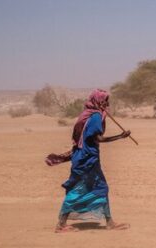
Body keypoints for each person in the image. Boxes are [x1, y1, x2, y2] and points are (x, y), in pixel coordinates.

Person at [55, 89, 131, 233]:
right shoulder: (95, 116)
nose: (107, 104)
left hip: (86, 158)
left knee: (101, 188)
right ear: (97, 101)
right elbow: (97, 139)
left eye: (107, 101)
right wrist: (120, 136)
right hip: (86, 160)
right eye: (104, 101)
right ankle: (61, 225)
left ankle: (109, 222)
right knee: (77, 190)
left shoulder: (87, 115)